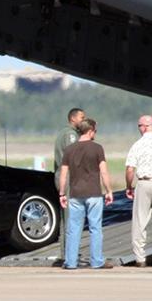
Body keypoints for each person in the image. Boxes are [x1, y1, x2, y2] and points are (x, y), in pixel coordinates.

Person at [58, 119, 114, 269]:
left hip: (75, 194)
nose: (95, 133)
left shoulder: (69, 150)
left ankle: (70, 262)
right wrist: (109, 190)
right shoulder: (97, 148)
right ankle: (97, 261)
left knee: (73, 229)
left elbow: (63, 174)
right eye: (95, 131)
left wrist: (62, 194)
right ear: (90, 131)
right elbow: (104, 172)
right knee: (95, 228)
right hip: (94, 193)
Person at [125, 115, 152, 267]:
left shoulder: (138, 144)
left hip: (143, 183)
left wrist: (128, 186)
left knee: (140, 221)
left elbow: (130, 169)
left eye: (139, 126)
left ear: (144, 127)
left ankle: (140, 258)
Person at [53, 107, 85, 265]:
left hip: (64, 179)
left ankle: (67, 253)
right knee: (71, 218)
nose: (83, 120)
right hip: (69, 180)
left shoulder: (65, 133)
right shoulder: (70, 135)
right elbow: (74, 158)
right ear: (73, 118)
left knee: (66, 219)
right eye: (81, 117)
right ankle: (70, 256)